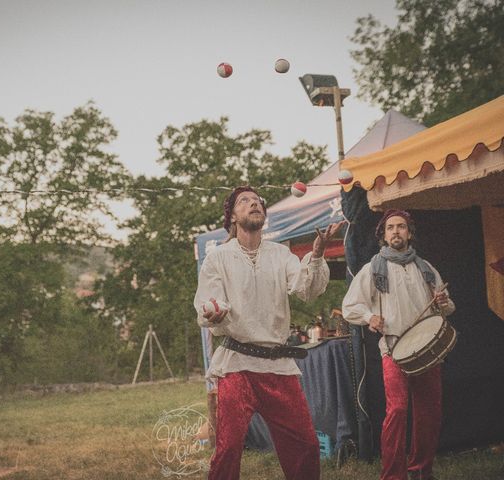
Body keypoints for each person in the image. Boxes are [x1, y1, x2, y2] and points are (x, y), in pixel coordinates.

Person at [194, 186, 343, 480]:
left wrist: (316, 254)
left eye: (257, 201)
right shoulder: (218, 258)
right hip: (237, 365)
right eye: (245, 201)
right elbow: (208, 301)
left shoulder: (280, 254)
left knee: (305, 445)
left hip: (278, 367)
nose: (254, 204)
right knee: (228, 447)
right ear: (233, 217)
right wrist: (215, 310)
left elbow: (306, 288)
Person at [342, 210, 455, 480]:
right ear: (383, 235)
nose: (396, 232)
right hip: (393, 350)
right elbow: (349, 306)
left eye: (401, 227)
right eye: (390, 227)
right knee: (398, 410)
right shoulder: (373, 268)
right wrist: (370, 317)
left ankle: (420, 470)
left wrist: (442, 303)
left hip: (427, 352)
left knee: (429, 412)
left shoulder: (425, 268)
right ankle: (393, 475)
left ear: (409, 233)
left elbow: (448, 307)